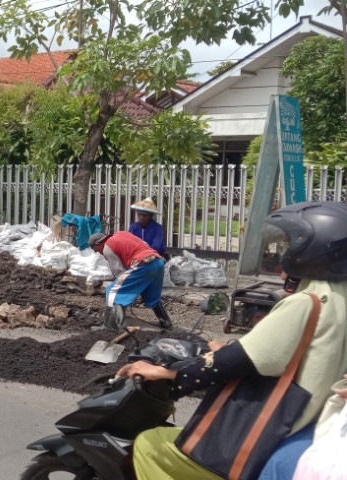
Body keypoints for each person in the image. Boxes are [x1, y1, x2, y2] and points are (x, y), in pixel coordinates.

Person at [115, 201, 347, 480]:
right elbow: (284, 352)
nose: (282, 258)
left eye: (288, 247)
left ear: (310, 252)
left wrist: (169, 373)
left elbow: (241, 359)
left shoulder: (306, 303)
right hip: (304, 424)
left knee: (149, 444)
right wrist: (227, 349)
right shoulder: (339, 299)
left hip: (266, 430)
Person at [88, 230, 171, 330]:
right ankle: (165, 322)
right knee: (150, 294)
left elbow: (119, 272)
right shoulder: (122, 234)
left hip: (142, 265)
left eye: (96, 250)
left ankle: (110, 326)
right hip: (157, 262)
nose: (98, 253)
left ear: (98, 244)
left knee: (112, 291)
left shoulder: (107, 248)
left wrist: (126, 290)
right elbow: (144, 244)